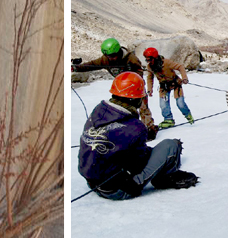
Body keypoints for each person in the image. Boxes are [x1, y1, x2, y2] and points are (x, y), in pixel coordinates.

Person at [78, 72, 199, 200]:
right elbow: (139, 162)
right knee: (171, 145)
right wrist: (160, 159)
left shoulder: (98, 111)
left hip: (92, 182)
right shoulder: (135, 127)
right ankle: (165, 178)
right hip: (118, 189)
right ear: (135, 99)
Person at [72, 37, 156, 135]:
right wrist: (75, 68)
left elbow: (140, 73)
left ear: (118, 52)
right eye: (108, 56)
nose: (110, 58)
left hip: (135, 88)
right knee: (122, 110)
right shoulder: (106, 59)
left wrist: (132, 72)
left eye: (112, 56)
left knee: (143, 108)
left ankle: (149, 129)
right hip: (120, 90)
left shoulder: (131, 59)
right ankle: (127, 130)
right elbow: (92, 65)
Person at [143, 47, 193, 128]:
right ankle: (168, 119)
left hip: (176, 84)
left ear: (155, 58)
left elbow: (180, 67)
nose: (149, 62)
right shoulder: (150, 67)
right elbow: (150, 78)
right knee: (163, 104)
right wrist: (149, 89)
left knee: (180, 103)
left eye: (150, 59)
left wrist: (184, 78)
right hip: (164, 87)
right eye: (147, 60)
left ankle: (188, 115)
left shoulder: (166, 62)